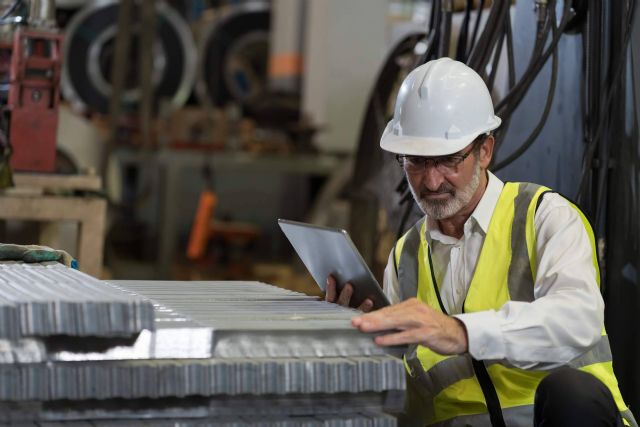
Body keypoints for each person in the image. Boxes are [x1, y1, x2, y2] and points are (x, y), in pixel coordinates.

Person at [326, 58, 636, 427]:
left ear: (485, 150)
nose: (430, 181)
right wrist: (357, 341)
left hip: (558, 420)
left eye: (447, 160)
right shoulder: (404, 258)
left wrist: (462, 332)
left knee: (572, 391)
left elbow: (576, 321)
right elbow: (405, 398)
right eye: (415, 162)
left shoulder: (544, 217)